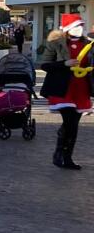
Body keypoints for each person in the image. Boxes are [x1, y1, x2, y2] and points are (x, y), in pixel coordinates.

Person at [39, 13, 92, 170]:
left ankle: (67, 157)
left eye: (81, 26)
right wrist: (64, 63)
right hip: (62, 89)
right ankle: (59, 154)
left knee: (73, 124)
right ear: (68, 29)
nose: (79, 29)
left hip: (81, 88)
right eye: (76, 26)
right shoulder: (56, 43)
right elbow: (45, 65)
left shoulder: (89, 44)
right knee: (70, 122)